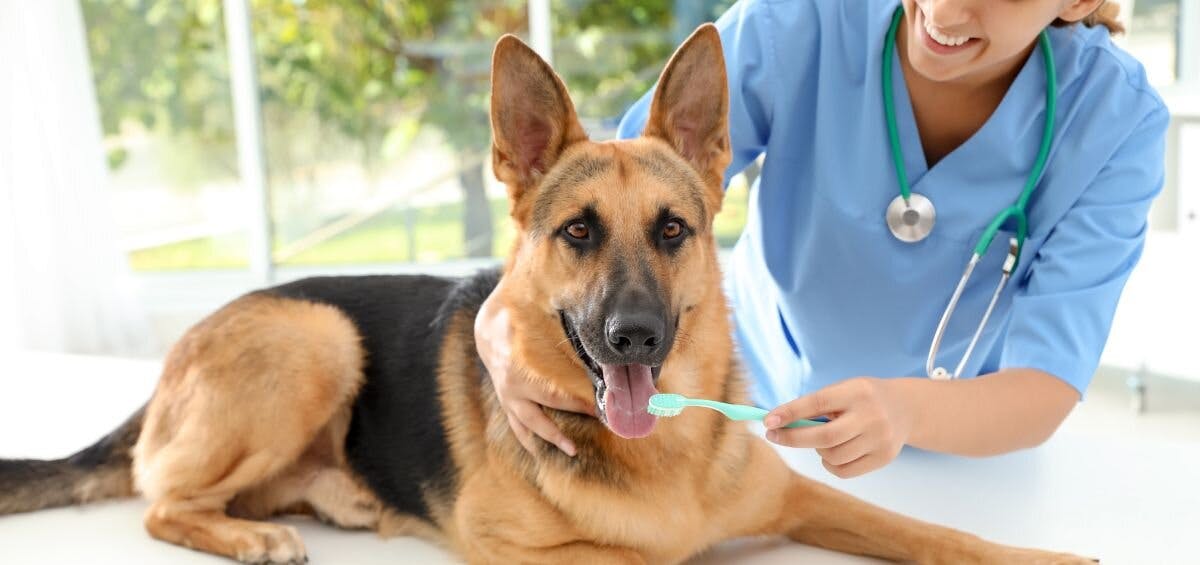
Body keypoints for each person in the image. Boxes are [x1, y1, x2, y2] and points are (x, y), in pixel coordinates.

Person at [474, 0, 1168, 478]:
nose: (947, 12)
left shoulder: (1114, 122)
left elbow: (1043, 386)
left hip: (970, 452)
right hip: (746, 415)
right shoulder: (802, 19)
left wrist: (904, 410)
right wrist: (495, 319)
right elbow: (610, 187)